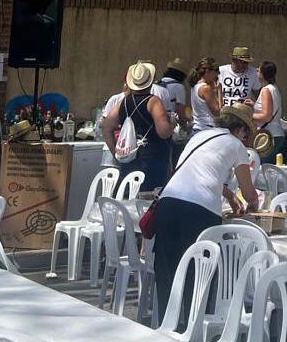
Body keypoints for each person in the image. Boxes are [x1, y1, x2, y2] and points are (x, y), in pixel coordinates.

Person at [154, 105, 261, 322]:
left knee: (168, 267)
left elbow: (199, 171)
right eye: (246, 133)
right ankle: (192, 325)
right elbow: (248, 190)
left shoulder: (199, 137)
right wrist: (253, 202)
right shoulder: (235, 145)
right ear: (240, 129)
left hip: (169, 202)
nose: (245, 137)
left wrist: (230, 196)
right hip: (200, 209)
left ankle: (167, 324)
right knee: (198, 271)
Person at [103, 61, 173, 190]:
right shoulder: (153, 101)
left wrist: (115, 152)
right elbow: (164, 132)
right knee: (149, 200)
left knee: (130, 197)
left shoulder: (124, 102)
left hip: (129, 158)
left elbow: (106, 126)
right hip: (152, 159)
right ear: (150, 82)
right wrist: (172, 124)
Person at [253, 60, 285, 163]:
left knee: (262, 168)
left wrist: (248, 116)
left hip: (269, 135)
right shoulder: (274, 88)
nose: (257, 70)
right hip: (276, 133)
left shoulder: (266, 90)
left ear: (263, 74)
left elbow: (267, 116)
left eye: (259, 69)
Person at [186, 57, 221, 133]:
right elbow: (218, 112)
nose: (217, 76)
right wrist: (219, 90)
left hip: (198, 127)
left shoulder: (195, 86)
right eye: (216, 73)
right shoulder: (206, 88)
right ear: (208, 71)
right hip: (207, 128)